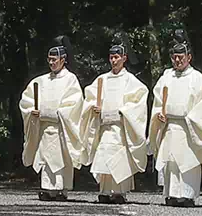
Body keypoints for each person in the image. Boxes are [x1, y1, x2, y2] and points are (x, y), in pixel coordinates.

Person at [81, 38, 152, 204]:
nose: (113, 60)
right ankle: (105, 191)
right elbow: (90, 98)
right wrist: (93, 107)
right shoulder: (102, 80)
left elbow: (138, 101)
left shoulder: (130, 80)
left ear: (124, 58)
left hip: (121, 128)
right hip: (105, 128)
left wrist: (123, 111)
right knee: (104, 156)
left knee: (119, 158)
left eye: (117, 57)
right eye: (111, 57)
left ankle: (119, 192)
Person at [151, 36, 202, 206]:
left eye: (181, 57)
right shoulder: (166, 77)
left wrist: (190, 118)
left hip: (189, 128)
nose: (177, 60)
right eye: (174, 57)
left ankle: (187, 195)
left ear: (189, 57)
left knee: (187, 162)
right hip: (170, 127)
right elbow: (158, 100)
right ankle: (171, 194)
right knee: (171, 162)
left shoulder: (197, 78)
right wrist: (160, 114)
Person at [20, 37, 86, 200]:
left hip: (61, 129)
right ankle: (47, 188)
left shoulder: (70, 80)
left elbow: (73, 105)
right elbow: (27, 101)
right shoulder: (40, 81)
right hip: (44, 129)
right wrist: (32, 111)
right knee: (45, 157)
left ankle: (61, 189)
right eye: (49, 59)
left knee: (60, 157)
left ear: (63, 60)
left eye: (54, 60)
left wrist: (49, 113)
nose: (51, 63)